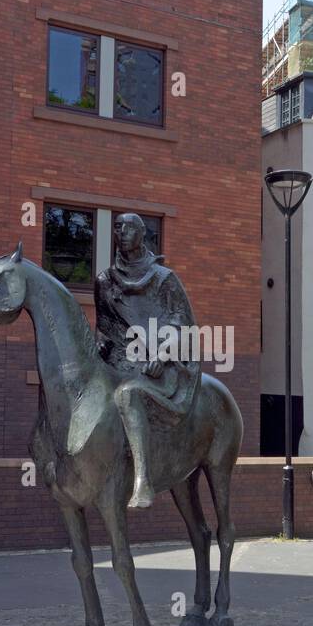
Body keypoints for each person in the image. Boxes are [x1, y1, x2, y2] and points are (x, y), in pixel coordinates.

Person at [95, 213, 201, 508]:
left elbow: (183, 325)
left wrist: (163, 354)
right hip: (118, 360)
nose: (122, 232)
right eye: (118, 228)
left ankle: (142, 480)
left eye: (129, 228)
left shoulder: (164, 279)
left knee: (128, 395)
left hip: (159, 367)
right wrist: (97, 349)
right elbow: (104, 327)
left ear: (143, 234)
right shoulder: (104, 281)